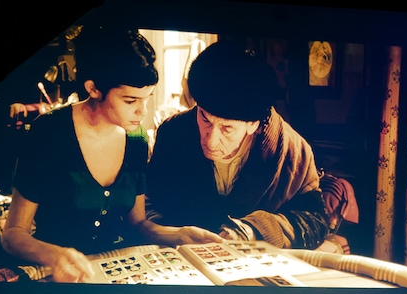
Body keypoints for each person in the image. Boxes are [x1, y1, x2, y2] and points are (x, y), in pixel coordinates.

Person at [0, 25, 159, 281]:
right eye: (131, 101)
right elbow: (13, 235)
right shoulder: (49, 132)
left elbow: (137, 223)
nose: (143, 112)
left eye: (147, 98)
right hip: (57, 276)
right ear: (94, 88)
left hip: (117, 274)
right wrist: (55, 255)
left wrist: (179, 234)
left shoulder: (137, 139)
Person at [140, 40, 329, 250]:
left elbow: (314, 221)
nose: (210, 140)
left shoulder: (292, 150)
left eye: (227, 129)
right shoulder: (173, 134)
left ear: (253, 125)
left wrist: (254, 230)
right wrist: (170, 233)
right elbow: (150, 201)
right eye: (205, 119)